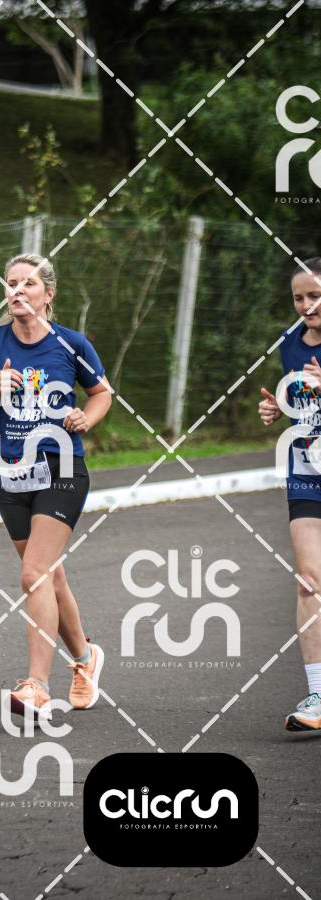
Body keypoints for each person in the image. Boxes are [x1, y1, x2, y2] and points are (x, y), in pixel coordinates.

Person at [0, 253, 112, 718]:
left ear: (48, 293)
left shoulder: (71, 343)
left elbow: (102, 393)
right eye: (11, 282)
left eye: (28, 283)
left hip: (61, 468)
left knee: (34, 573)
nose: (17, 290)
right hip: (10, 474)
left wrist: (87, 418)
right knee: (49, 576)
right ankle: (85, 658)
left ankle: (36, 687)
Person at [259, 258, 321, 731]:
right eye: (299, 298)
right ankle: (318, 695)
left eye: (315, 296)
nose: (306, 306)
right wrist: (277, 409)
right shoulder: (290, 343)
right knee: (308, 581)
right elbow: (299, 401)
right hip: (306, 472)